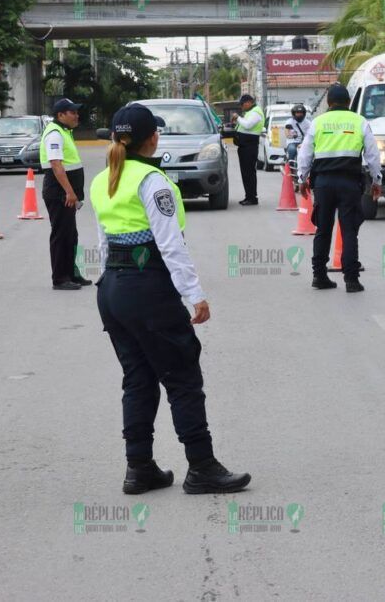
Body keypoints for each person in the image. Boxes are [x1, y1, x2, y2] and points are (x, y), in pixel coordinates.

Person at [90, 103, 251, 496]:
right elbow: (170, 245)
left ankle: (139, 467)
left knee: (138, 379)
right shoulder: (153, 181)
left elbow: (102, 242)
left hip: (113, 290)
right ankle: (202, 467)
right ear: (153, 138)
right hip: (147, 288)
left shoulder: (102, 179)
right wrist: (195, 295)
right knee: (182, 377)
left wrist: (109, 285)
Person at [297, 84, 383, 293]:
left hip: (323, 184)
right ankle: (352, 280)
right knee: (349, 230)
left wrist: (302, 178)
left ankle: (319, 276)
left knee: (323, 230)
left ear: (329, 103)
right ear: (348, 102)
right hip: (349, 183)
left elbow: (305, 153)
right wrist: (376, 181)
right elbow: (372, 154)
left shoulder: (318, 122)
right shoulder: (359, 121)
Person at [40, 98, 90, 290]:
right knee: (61, 235)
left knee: (71, 235)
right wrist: (69, 192)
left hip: (67, 192)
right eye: (72, 112)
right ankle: (60, 278)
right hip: (59, 192)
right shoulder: (55, 134)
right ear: (60, 115)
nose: (77, 116)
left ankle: (72, 273)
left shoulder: (64, 132)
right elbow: (56, 165)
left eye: (76, 112)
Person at [231, 94, 265, 206]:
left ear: (249, 102)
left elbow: (248, 125)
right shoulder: (250, 112)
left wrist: (238, 117)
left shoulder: (256, 112)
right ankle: (248, 196)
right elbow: (242, 126)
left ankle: (252, 197)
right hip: (244, 146)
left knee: (249, 173)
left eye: (242, 104)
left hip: (249, 146)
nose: (241, 107)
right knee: (245, 173)